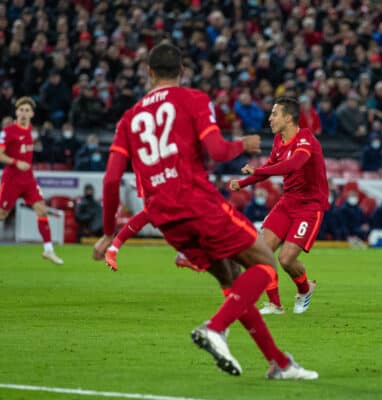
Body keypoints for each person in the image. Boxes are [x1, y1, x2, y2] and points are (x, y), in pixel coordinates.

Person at [95, 43, 317, 379]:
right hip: (197, 203)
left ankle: (279, 363)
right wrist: (243, 145)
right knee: (267, 263)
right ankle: (215, 328)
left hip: (166, 219)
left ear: (149, 73)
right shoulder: (193, 99)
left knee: (233, 284)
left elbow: (111, 180)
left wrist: (107, 233)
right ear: (181, 71)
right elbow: (218, 150)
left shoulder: (129, 118)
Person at [230, 97, 329, 315]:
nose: (270, 118)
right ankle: (275, 304)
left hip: (310, 207)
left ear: (288, 117)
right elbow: (270, 167)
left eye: (275, 113)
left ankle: (305, 289)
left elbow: (293, 164)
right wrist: (243, 183)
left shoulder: (305, 140)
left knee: (286, 259)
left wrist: (256, 171)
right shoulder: (278, 140)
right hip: (288, 202)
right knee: (261, 252)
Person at [0, 97, 63, 265]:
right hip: (12, 179)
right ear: (16, 112)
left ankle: (48, 250)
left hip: (28, 179)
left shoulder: (31, 130)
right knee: (1, 214)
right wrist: (16, 162)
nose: (23, 113)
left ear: (32, 114)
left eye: (27, 110)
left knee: (41, 210)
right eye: (21, 110)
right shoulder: (8, 131)